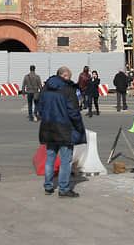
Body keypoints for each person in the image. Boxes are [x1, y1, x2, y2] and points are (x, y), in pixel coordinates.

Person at [37, 66, 86, 198]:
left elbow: (39, 107)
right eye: (69, 77)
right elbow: (74, 111)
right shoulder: (68, 90)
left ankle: (48, 186)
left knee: (50, 157)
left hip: (48, 127)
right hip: (64, 128)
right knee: (66, 159)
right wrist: (78, 126)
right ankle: (63, 188)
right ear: (64, 76)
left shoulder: (46, 88)